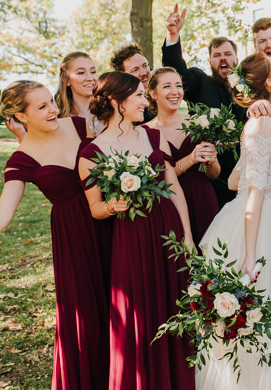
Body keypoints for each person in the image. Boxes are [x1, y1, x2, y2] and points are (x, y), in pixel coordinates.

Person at [0, 80, 112, 390]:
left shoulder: (80, 125)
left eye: (51, 101)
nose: (52, 109)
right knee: (87, 318)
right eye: (42, 106)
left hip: (112, 220)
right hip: (74, 237)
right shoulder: (22, 159)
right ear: (21, 117)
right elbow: (2, 212)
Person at [78, 71, 195, 390]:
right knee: (140, 318)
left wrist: (187, 237)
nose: (146, 101)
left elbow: (174, 190)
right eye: (140, 96)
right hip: (133, 241)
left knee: (176, 311)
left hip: (169, 234)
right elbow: (94, 208)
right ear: (117, 102)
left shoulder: (154, 137)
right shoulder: (90, 155)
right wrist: (111, 205)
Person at [197, 53, 271, 390]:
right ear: (269, 81)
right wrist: (250, 255)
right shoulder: (261, 124)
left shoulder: (268, 120)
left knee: (256, 317)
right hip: (251, 228)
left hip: (261, 216)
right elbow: (250, 192)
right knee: (251, 315)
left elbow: (234, 180)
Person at [161, 5, 245, 207]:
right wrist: (173, 35)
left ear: (236, 58)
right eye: (217, 55)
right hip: (210, 179)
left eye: (227, 53)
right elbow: (177, 73)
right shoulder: (199, 81)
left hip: (246, 176)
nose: (223, 58)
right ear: (209, 61)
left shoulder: (249, 89)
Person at [145, 66, 221, 245]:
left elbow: (214, 174)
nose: (175, 92)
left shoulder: (200, 123)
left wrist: (211, 161)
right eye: (167, 86)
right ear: (153, 93)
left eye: (178, 85)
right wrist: (191, 159)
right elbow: (156, 180)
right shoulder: (144, 132)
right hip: (169, 206)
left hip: (203, 200)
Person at [7, 52, 101, 142]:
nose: (90, 78)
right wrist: (21, 137)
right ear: (65, 79)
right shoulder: (55, 123)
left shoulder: (111, 112)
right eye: (81, 72)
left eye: (93, 71)